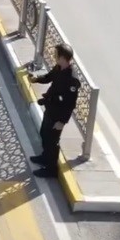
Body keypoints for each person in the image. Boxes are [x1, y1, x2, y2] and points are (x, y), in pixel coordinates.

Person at [28, 43, 80, 178]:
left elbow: (70, 104)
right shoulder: (59, 68)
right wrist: (36, 79)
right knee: (44, 134)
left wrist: (62, 122)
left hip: (58, 115)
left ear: (63, 57)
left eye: (56, 54)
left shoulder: (72, 79)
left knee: (52, 141)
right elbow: (49, 77)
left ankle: (51, 169)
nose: (54, 56)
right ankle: (44, 157)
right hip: (51, 108)